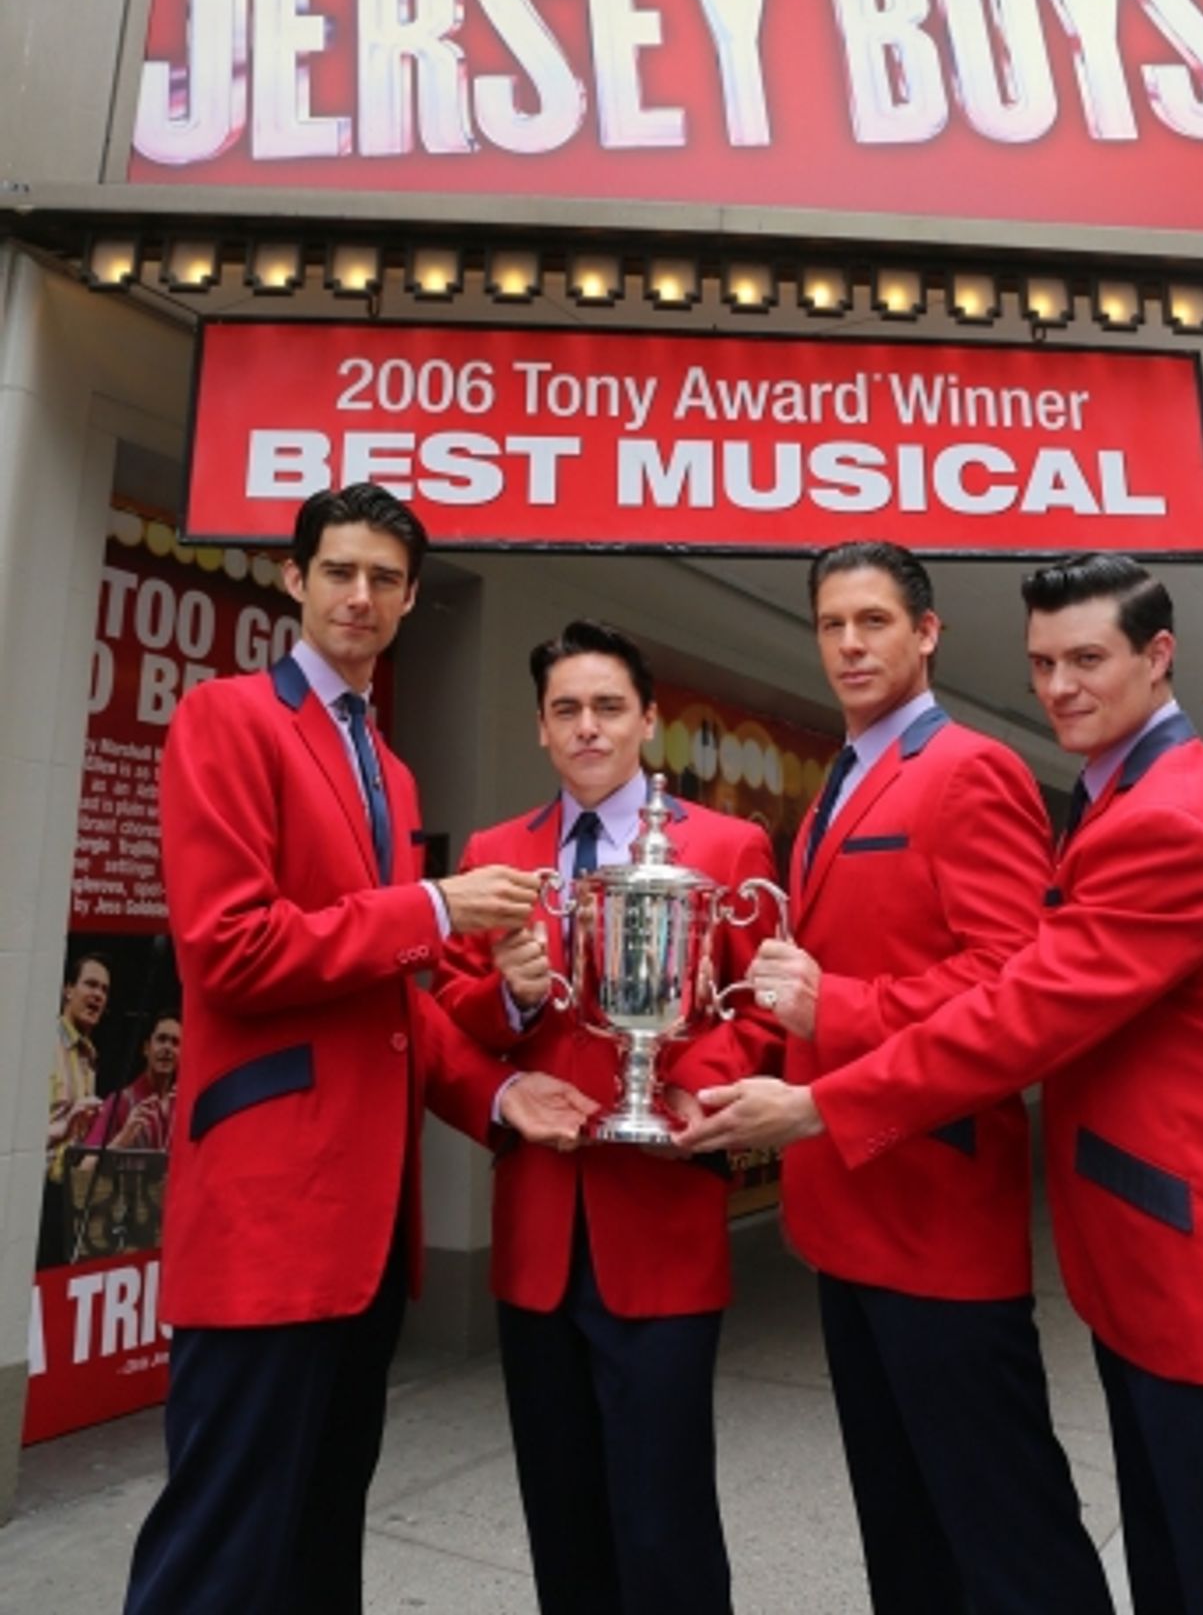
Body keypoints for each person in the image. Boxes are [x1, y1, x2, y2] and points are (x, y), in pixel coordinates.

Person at [689, 551, 1203, 1615]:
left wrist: (822, 1094)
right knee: (1174, 1558)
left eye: (1085, 658)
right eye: (1043, 660)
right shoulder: (1108, 792)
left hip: (1197, 1260)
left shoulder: (1161, 815)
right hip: (1131, 1242)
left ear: (1157, 655)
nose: (1057, 686)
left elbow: (1016, 1006)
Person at [123, 484, 596, 1615]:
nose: (360, 595)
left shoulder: (388, 769)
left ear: (411, 597)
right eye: (337, 570)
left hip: (365, 1226)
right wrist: (433, 907)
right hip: (267, 1213)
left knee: (322, 1534)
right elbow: (231, 948)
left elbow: (392, 1004)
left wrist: (497, 1094)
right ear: (293, 579)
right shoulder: (227, 718)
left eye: (384, 578)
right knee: (222, 1548)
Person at [681, 542, 1112, 1615]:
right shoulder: (840, 775)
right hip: (842, 1209)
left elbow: (1014, 992)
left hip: (935, 1208)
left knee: (1005, 1529)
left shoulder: (971, 767)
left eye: (872, 620)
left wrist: (839, 1005)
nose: (848, 644)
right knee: (901, 1525)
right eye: (830, 624)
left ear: (925, 632)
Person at [435, 619, 778, 1615]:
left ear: (648, 721)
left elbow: (757, 1009)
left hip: (661, 1219)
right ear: (541, 729)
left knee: (664, 1517)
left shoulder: (725, 845)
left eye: (608, 707)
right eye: (566, 710)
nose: (587, 727)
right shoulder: (497, 855)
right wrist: (511, 998)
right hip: (539, 1229)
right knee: (560, 1510)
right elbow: (456, 1014)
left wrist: (685, 1085)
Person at [40, 951, 112, 1264]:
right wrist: (65, 1125)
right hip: (35, 1196)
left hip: (68, 1198)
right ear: (68, 989)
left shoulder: (89, 1057)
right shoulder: (43, 1044)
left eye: (105, 990)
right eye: (90, 985)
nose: (98, 995)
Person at [85, 1012, 182, 1152]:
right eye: (161, 1039)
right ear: (146, 1048)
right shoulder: (119, 1102)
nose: (167, 1048)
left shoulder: (183, 1106)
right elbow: (84, 1168)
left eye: (175, 1042)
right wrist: (122, 1140)